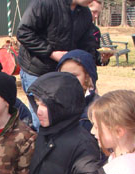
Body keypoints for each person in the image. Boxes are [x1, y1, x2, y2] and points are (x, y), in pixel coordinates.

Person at [16, 0, 97, 130]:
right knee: (41, 120)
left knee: (62, 118)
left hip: (63, 73)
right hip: (37, 70)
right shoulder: (45, 3)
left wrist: (92, 73)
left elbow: (87, 43)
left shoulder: (85, 13)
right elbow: (24, 32)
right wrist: (51, 53)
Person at [56, 49, 99, 132]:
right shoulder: (54, 105)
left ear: (87, 77)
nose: (69, 79)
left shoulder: (96, 109)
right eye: (64, 75)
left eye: (74, 75)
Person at [88, 0, 113, 66]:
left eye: (98, 13)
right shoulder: (72, 27)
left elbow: (96, 56)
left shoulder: (95, 31)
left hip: (90, 71)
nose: (96, 16)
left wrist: (103, 59)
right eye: (94, 12)